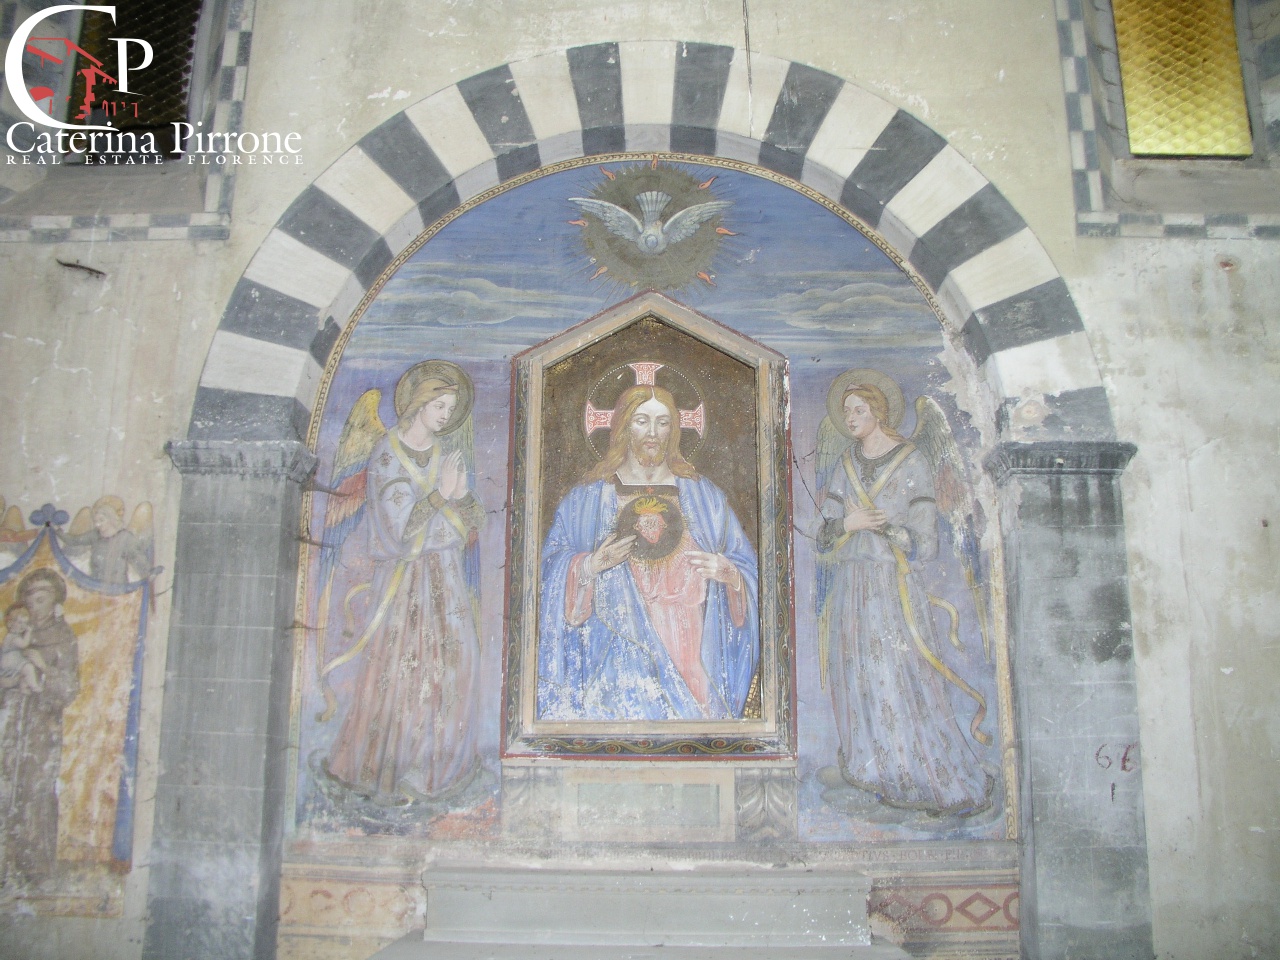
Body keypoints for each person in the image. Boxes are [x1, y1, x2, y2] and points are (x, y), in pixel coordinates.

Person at [816, 376, 992, 817]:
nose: (851, 419)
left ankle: (920, 771)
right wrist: (847, 526)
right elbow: (824, 535)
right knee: (856, 675)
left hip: (891, 586)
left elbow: (926, 544)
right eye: (846, 411)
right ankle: (872, 768)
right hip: (851, 586)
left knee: (898, 674)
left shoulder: (912, 460)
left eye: (859, 410)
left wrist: (884, 529)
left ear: (879, 412)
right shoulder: (845, 462)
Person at [537, 385, 758, 721]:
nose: (653, 433)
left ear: (674, 430)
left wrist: (730, 575)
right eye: (641, 421)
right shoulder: (588, 498)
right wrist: (589, 566)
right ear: (623, 426)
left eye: (662, 422)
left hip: (689, 642)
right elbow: (549, 570)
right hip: (617, 649)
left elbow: (745, 568)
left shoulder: (703, 496)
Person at [325, 364, 485, 803]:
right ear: (418, 404)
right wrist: (441, 496)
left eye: (451, 408)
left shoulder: (445, 453)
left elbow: (474, 520)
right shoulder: (387, 454)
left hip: (446, 580)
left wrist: (461, 497)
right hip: (404, 583)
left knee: (457, 663)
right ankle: (392, 772)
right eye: (439, 406)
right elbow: (398, 532)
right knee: (404, 669)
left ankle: (436, 769)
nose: (446, 415)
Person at [0, 569, 80, 882]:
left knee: (35, 790)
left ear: (55, 600)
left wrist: (43, 667)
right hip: (9, 724)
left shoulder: (63, 636)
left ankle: (33, 866)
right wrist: (10, 684)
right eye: (30, 598)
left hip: (40, 728)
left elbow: (69, 687)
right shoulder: (15, 637)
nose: (35, 604)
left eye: (42, 597)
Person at [0, 603, 47, 694]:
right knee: (28, 668)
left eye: (25, 623)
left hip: (10, 662)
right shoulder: (13, 637)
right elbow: (24, 644)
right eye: (20, 622)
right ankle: (34, 686)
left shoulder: (12, 636)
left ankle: (23, 688)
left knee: (24, 672)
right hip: (10, 662)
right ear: (10, 624)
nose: (23, 626)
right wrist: (28, 632)